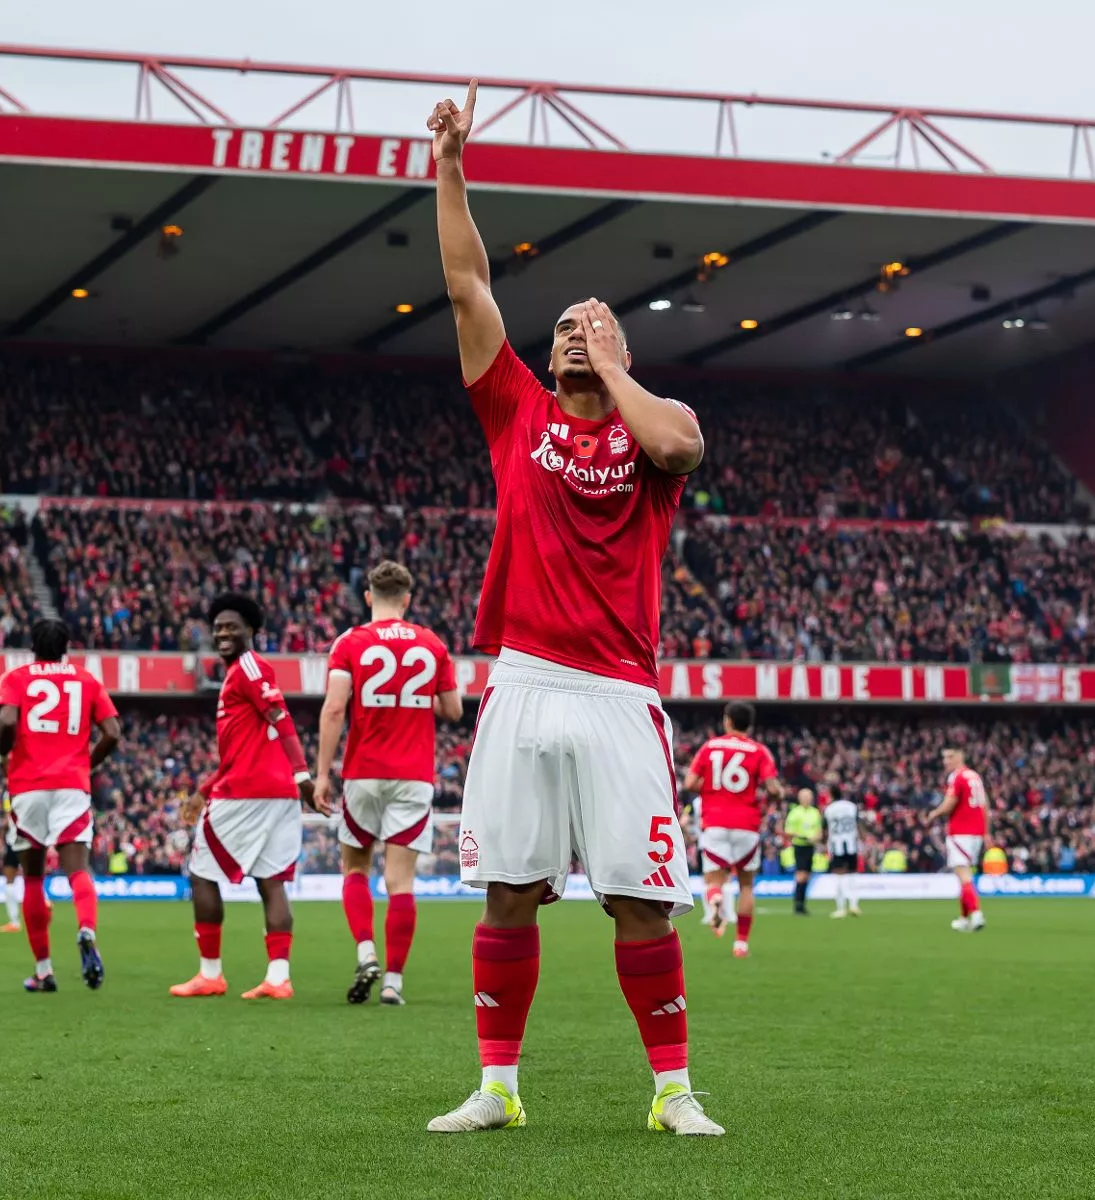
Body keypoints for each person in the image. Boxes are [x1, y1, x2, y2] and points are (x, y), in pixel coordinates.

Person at [424, 81, 721, 1137]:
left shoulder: (657, 427)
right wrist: (453, 166)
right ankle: (497, 1088)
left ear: (624, 355)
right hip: (522, 678)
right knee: (507, 890)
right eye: (562, 328)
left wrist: (614, 368)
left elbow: (680, 446)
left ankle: (672, 1093)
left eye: (590, 329)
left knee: (640, 900)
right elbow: (466, 288)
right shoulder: (515, 412)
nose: (569, 337)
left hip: (615, 692)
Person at [315, 561, 463, 1006]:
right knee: (401, 884)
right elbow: (454, 711)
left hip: (364, 772)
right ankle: (394, 982)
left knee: (355, 869)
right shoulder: (431, 643)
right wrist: (418, 702)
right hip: (413, 776)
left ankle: (366, 953)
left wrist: (322, 773)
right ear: (408, 599)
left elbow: (335, 709)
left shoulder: (351, 643)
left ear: (367, 597)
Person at [170, 594, 323, 1000]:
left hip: (247, 794)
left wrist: (304, 775)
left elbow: (280, 716)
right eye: (217, 627)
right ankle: (278, 979)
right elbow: (237, 751)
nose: (222, 633)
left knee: (202, 873)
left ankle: (210, 974)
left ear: (251, 630)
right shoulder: (238, 674)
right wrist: (203, 792)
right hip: (275, 794)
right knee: (271, 882)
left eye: (231, 626)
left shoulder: (249, 668)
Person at [0, 619, 121, 992]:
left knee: (33, 878)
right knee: (78, 872)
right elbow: (112, 732)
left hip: (27, 786)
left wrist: (5, 754)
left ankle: (44, 971)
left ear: (32, 646)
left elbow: (5, 721)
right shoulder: (86, 680)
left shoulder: (16, 678)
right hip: (71, 786)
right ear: (67, 646)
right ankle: (85, 929)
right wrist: (87, 763)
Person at [683, 702, 781, 958]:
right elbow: (772, 789)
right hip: (747, 825)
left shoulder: (710, 747)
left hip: (714, 823)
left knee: (713, 881)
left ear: (727, 721)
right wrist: (776, 795)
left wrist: (714, 789)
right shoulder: (759, 751)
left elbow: (690, 782)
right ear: (749, 724)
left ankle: (716, 898)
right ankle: (741, 943)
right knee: (747, 886)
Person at [926, 747, 988, 932]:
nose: (946, 761)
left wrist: (934, 814)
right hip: (976, 833)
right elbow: (985, 805)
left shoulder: (957, 776)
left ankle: (976, 915)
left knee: (963, 875)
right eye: (944, 757)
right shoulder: (975, 776)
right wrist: (986, 831)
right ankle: (963, 918)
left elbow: (950, 803)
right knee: (965, 876)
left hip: (961, 832)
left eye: (950, 757)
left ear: (961, 756)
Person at [784, 789, 823, 916]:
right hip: (800, 845)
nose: (807, 799)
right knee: (800, 874)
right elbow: (788, 831)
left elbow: (819, 831)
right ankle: (798, 904)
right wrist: (803, 836)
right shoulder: (795, 812)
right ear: (800, 798)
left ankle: (802, 902)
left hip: (810, 846)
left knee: (807, 875)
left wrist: (815, 838)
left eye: (809, 796)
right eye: (804, 796)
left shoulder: (815, 812)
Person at [823, 790, 862, 919]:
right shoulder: (852, 807)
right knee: (852, 876)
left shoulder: (829, 809)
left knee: (839, 877)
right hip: (852, 844)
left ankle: (840, 908)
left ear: (831, 796)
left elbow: (825, 828)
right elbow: (858, 824)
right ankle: (854, 905)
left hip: (837, 845)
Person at [0, 793, 22, 933]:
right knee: (34, 876)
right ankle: (45, 906)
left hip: (15, 840)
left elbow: (8, 818)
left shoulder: (9, 793)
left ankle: (14, 921)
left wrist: (3, 830)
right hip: (32, 837)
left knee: (9, 879)